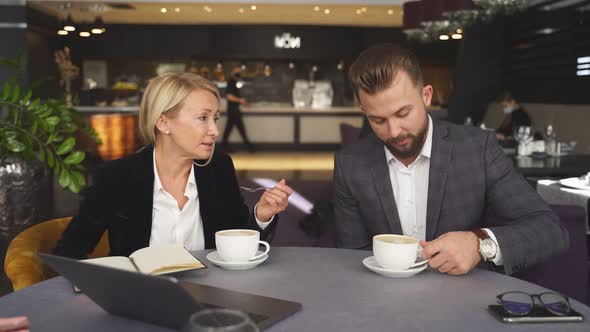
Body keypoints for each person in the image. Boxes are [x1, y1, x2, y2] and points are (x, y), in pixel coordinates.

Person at [333, 44, 568, 276]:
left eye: (403, 113)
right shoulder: (350, 165)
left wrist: (480, 245)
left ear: (426, 96)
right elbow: (354, 257)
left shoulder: (478, 150)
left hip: (467, 301)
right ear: (365, 112)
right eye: (378, 120)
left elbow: (550, 230)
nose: (394, 131)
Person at [55, 73, 293, 259]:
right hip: (137, 307)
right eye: (203, 118)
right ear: (163, 122)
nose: (214, 130)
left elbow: (237, 240)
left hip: (210, 303)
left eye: (216, 118)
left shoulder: (218, 168)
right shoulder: (118, 177)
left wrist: (261, 215)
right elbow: (70, 250)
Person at [221, 66, 254, 152]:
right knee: (240, 129)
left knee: (229, 129)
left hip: (234, 110)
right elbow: (229, 96)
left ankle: (223, 146)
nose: (239, 74)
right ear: (233, 72)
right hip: (233, 111)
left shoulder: (234, 82)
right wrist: (241, 100)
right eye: (238, 72)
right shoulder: (231, 82)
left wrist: (244, 103)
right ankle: (249, 147)